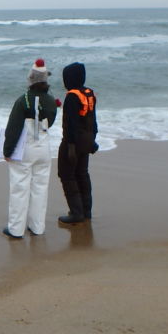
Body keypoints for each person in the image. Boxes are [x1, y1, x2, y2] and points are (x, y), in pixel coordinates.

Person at [1, 59, 58, 238]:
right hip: (44, 148)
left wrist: (7, 150)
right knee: (40, 187)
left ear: (31, 79)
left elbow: (13, 128)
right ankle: (37, 226)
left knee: (20, 187)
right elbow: (51, 122)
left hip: (25, 149)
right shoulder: (50, 101)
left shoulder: (23, 100)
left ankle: (16, 229)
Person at [56, 62, 99, 225]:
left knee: (66, 175)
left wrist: (71, 147)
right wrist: (92, 140)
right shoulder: (89, 94)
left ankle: (76, 213)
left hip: (72, 143)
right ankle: (86, 211)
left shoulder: (72, 97)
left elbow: (71, 125)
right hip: (87, 141)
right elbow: (93, 121)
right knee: (82, 174)